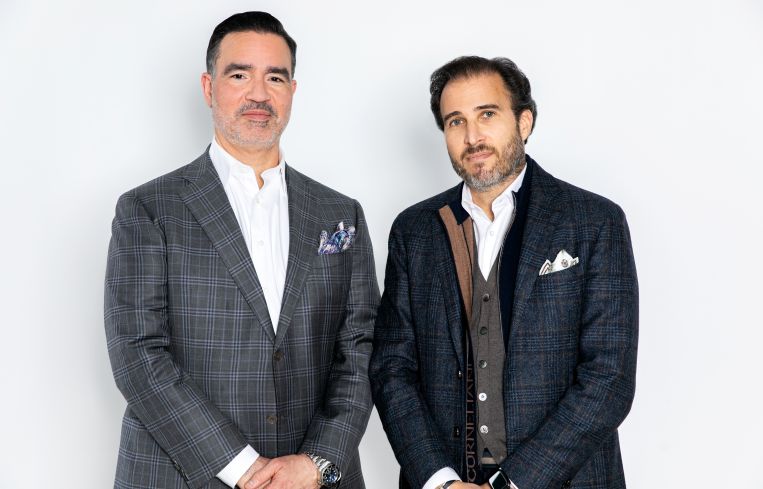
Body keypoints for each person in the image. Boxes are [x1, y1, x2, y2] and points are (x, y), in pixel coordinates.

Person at [104, 11, 379, 489]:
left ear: (292, 91)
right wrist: (244, 469)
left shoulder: (341, 213)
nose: (259, 94)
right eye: (239, 75)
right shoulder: (148, 209)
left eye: (275, 77)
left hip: (311, 477)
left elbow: (361, 347)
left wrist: (316, 462)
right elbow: (138, 355)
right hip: (182, 474)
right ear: (208, 88)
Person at [370, 56, 638, 489]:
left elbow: (609, 379)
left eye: (487, 115)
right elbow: (392, 370)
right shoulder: (413, 231)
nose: (472, 136)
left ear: (524, 122)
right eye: (455, 121)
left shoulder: (594, 222)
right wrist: (440, 480)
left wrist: (514, 483)